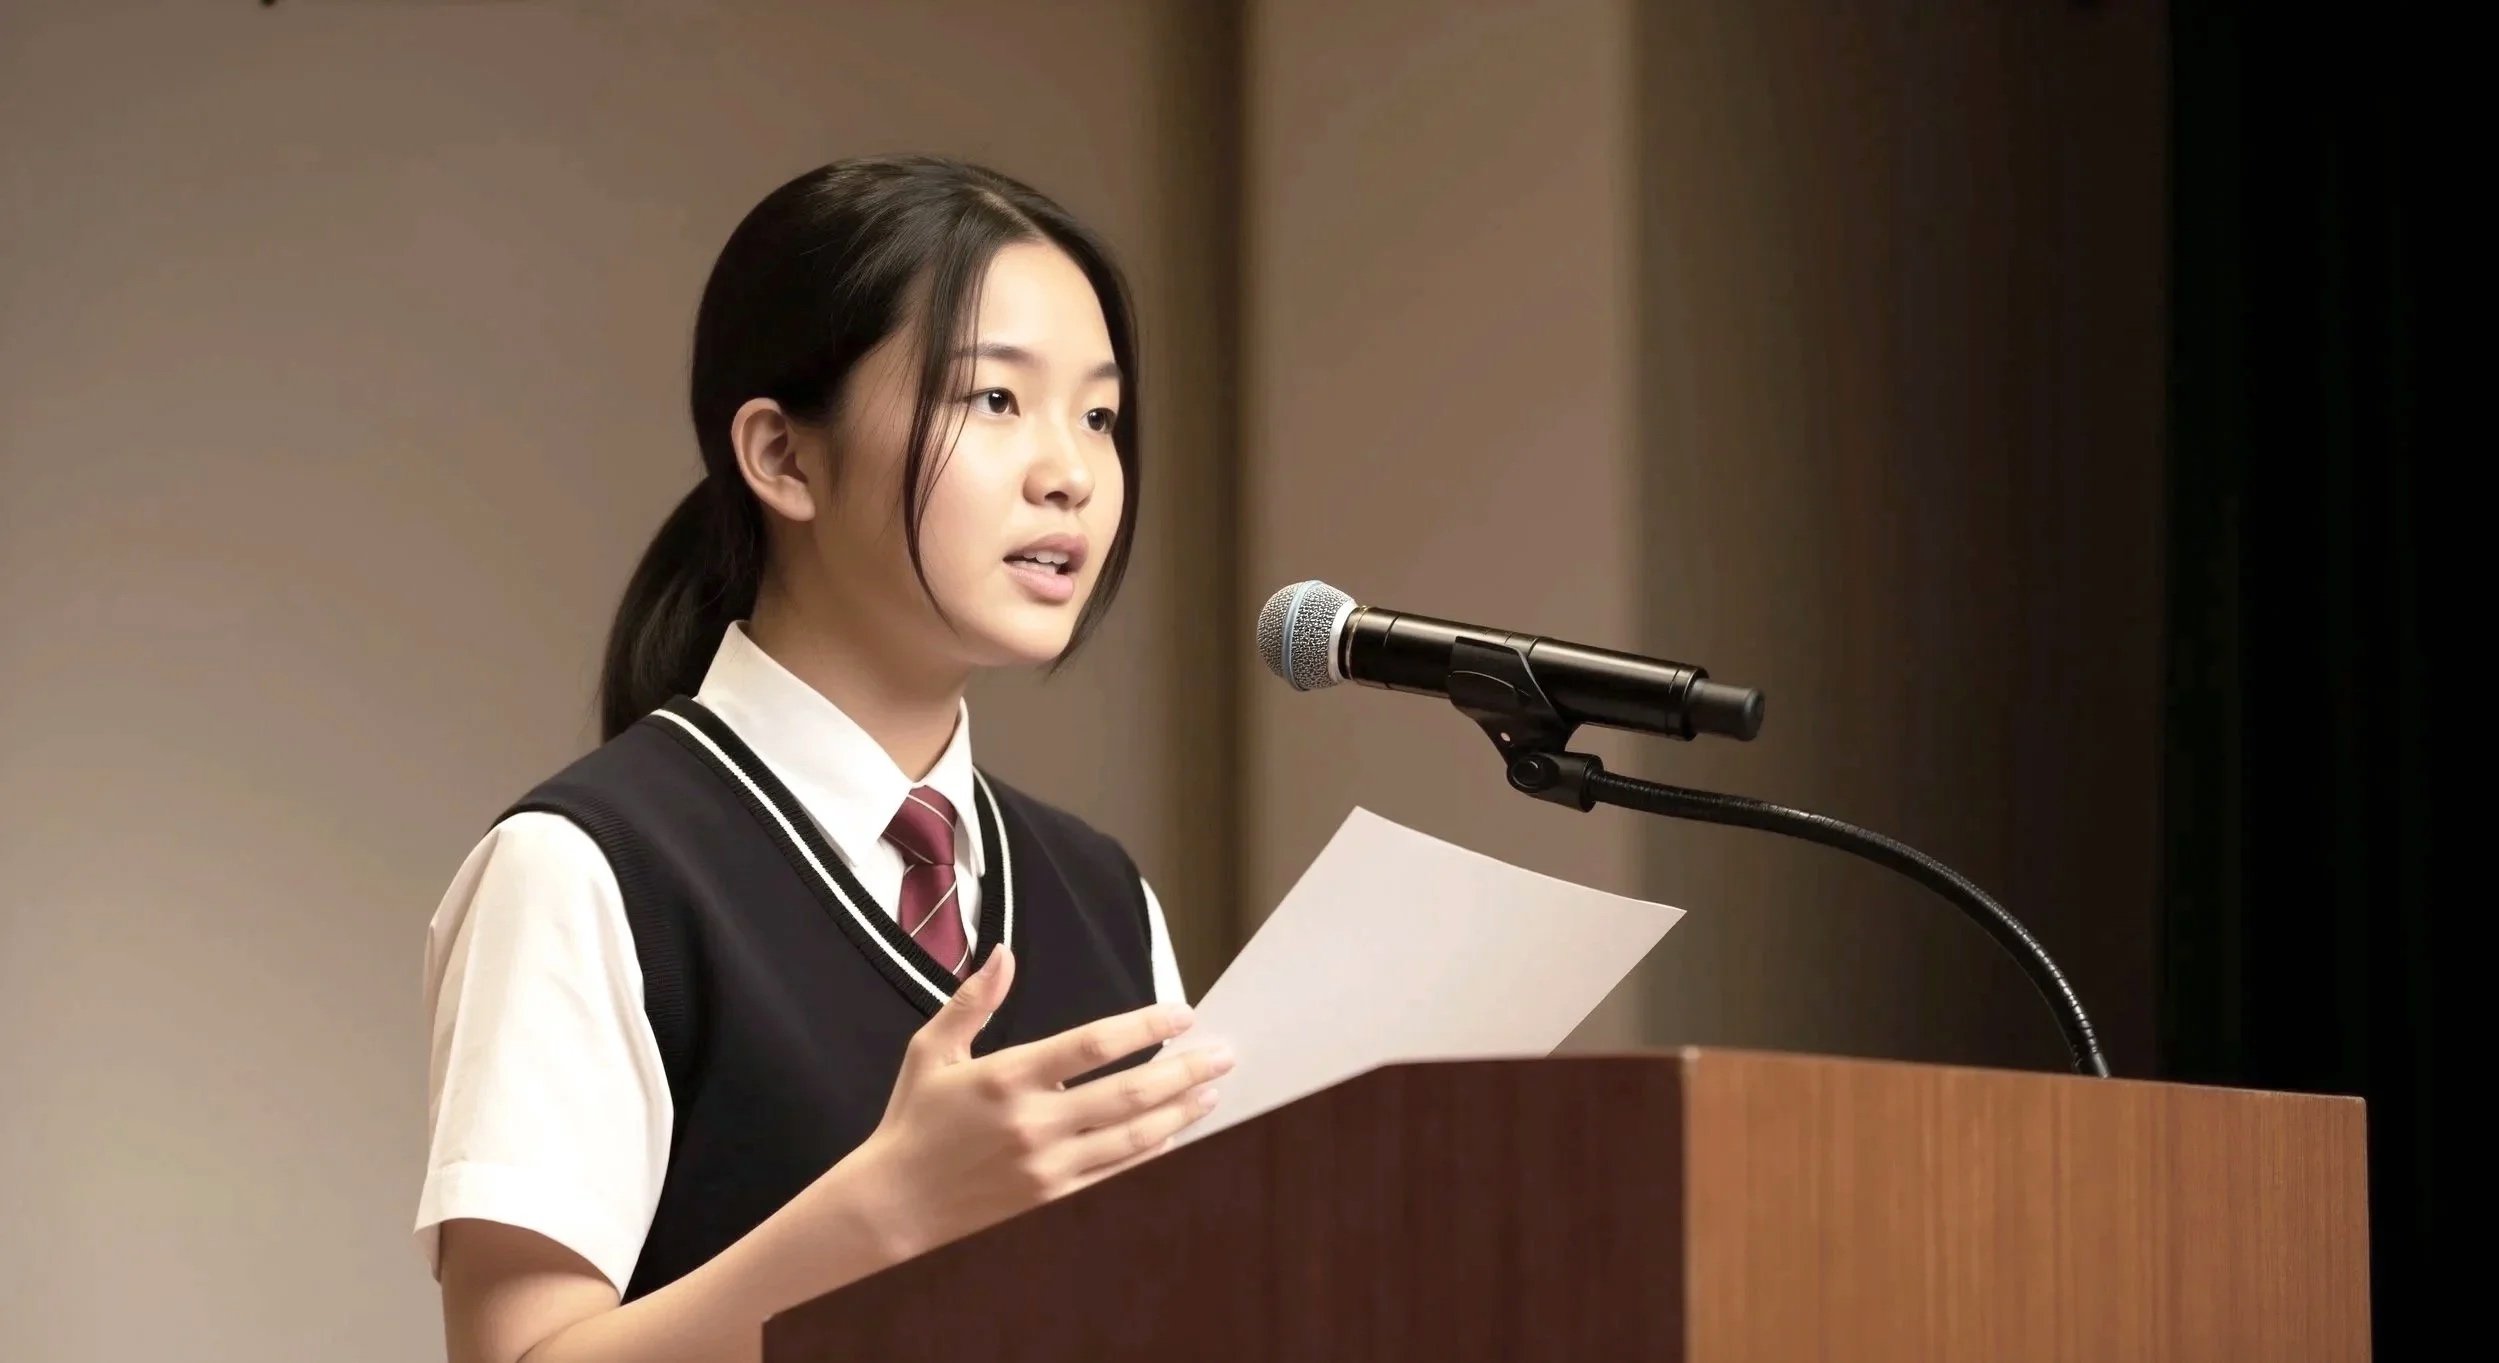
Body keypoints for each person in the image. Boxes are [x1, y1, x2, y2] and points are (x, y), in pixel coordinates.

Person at [413, 155, 1234, 1363]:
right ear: (783, 457)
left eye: (1099, 415)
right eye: (994, 402)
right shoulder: (588, 870)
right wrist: (884, 1212)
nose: (1070, 471)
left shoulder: (1104, 898)